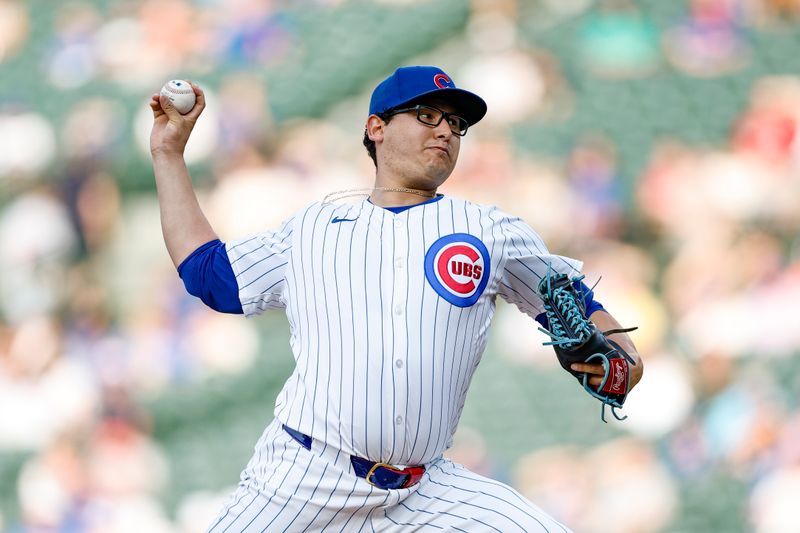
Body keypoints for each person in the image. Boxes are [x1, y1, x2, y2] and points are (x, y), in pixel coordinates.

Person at [149, 65, 644, 532]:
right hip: (301, 477)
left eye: (455, 122)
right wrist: (168, 155)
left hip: (424, 490)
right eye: (427, 115)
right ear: (376, 128)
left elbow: (585, 312)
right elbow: (207, 274)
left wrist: (625, 361)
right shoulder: (313, 229)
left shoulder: (491, 232)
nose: (446, 131)